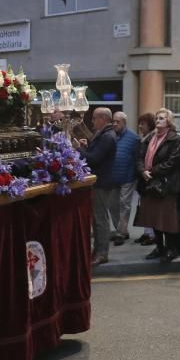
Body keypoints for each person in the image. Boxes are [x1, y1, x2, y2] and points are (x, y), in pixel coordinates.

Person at [134, 108, 180, 262]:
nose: (158, 120)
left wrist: (152, 172)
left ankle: (171, 249)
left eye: (162, 118)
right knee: (153, 219)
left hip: (165, 184)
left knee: (167, 219)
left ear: (169, 121)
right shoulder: (149, 138)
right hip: (148, 182)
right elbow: (139, 157)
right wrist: (143, 171)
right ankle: (159, 247)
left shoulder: (174, 139)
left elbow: (172, 162)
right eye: (157, 118)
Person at [78, 108, 117, 266]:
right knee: (97, 218)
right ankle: (98, 251)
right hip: (100, 181)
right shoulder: (104, 135)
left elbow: (94, 159)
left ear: (103, 119)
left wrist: (78, 149)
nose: (92, 122)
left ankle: (102, 253)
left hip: (101, 182)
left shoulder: (107, 136)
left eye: (94, 119)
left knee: (100, 219)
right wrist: (86, 147)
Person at [108, 111, 139, 247]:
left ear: (124, 123)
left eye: (117, 121)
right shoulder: (109, 136)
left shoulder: (133, 138)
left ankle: (121, 232)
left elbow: (137, 158)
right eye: (113, 121)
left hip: (127, 177)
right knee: (112, 205)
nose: (114, 124)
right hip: (112, 177)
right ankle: (120, 229)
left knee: (124, 205)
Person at [133, 113, 156, 246]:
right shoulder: (144, 138)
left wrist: (143, 171)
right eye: (140, 123)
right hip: (142, 175)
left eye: (143, 124)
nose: (141, 126)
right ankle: (147, 232)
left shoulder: (151, 138)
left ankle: (152, 235)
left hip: (147, 175)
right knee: (143, 205)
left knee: (148, 206)